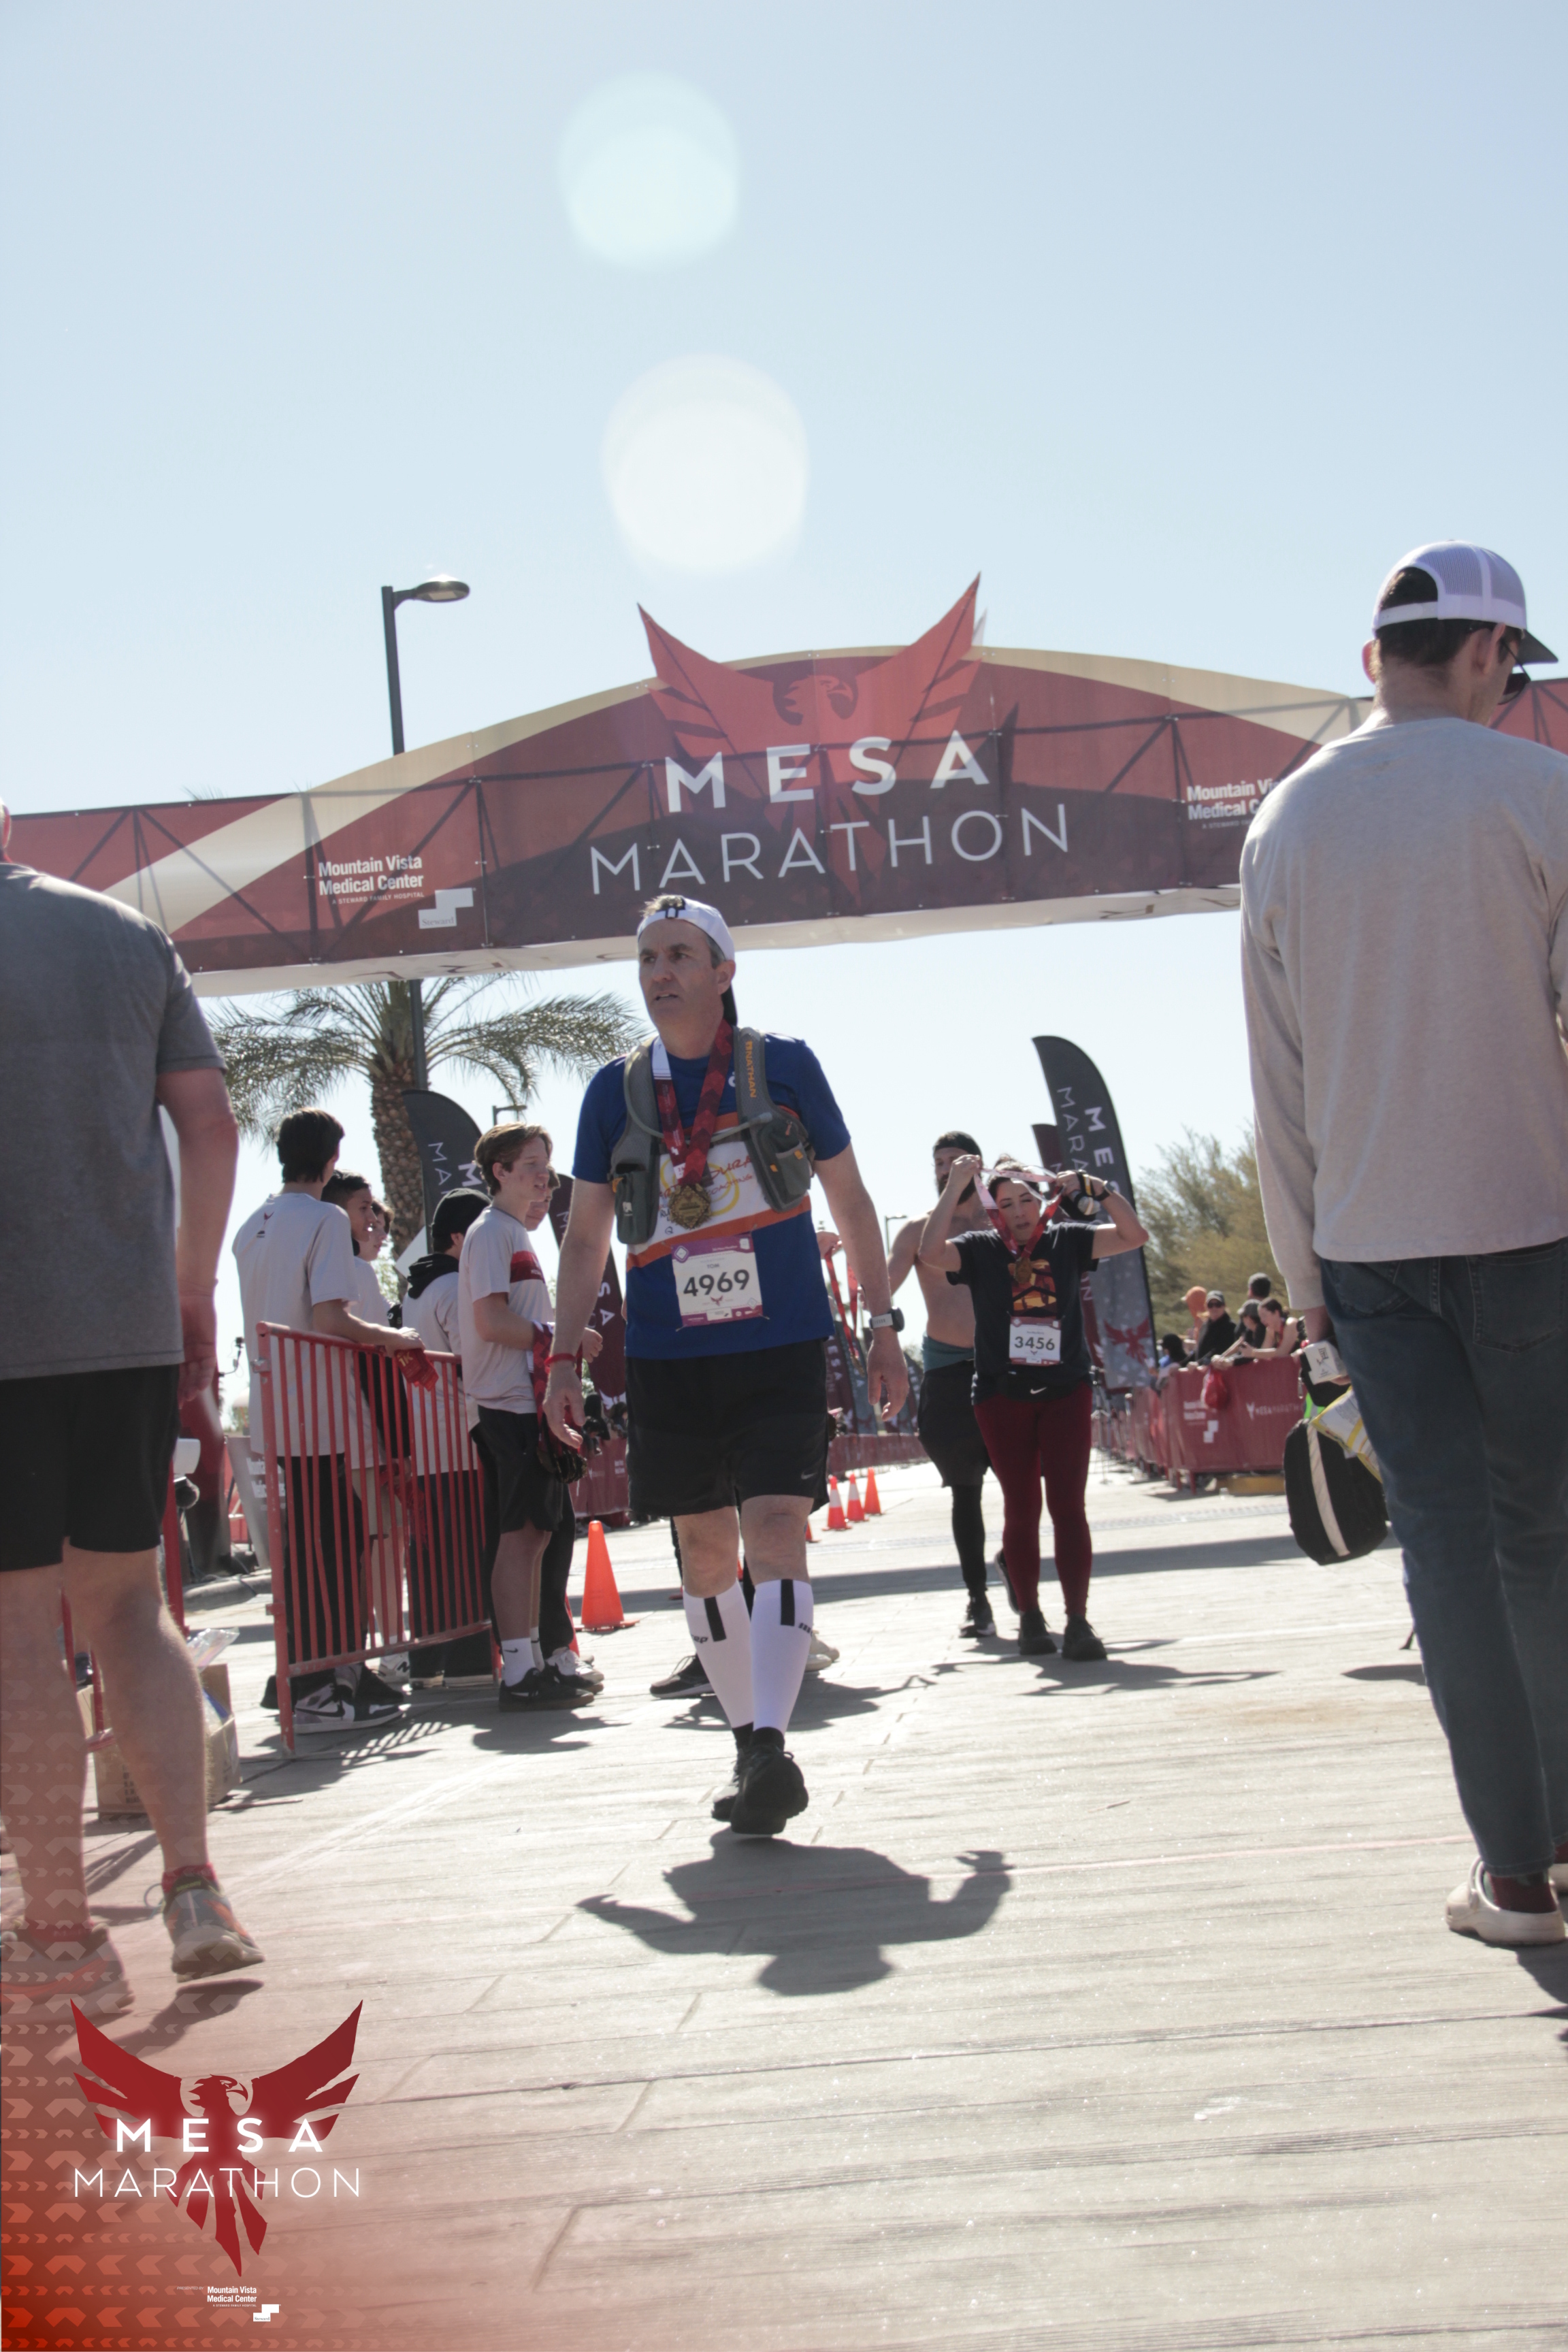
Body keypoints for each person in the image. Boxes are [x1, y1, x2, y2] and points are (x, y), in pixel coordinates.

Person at [1241, 538, 1568, 1949]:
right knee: (1545, 1540)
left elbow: (1277, 1083)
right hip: (1536, 1224)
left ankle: (1513, 1877)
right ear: (1488, 650)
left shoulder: (1284, 823)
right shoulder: (1542, 794)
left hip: (1370, 1249)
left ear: (1372, 659)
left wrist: (1306, 1285)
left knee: (1443, 1554)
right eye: (1515, 669)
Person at [546, 893, 908, 1837]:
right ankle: (750, 1743)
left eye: (679, 954)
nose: (659, 973)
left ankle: (772, 1744)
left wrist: (882, 1326)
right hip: (670, 1357)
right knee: (705, 1550)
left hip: (781, 1340)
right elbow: (585, 1239)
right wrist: (561, 1360)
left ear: (723, 972)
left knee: (778, 1527)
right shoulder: (613, 1092)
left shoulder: (783, 1067)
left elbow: (852, 1200)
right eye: (647, 959)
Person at [0, 802, 263, 2016]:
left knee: (16, 1630)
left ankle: (63, 1936)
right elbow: (209, 1123)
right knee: (129, 1607)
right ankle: (196, 1890)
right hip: (123, 1328)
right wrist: (189, 1286)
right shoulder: (123, 934)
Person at [233, 1108, 422, 1732]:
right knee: (334, 1549)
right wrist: (394, 1339)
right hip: (317, 1408)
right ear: (332, 1159)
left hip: (276, 1407)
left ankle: (328, 1673)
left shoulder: (251, 1225)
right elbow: (330, 1318)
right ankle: (319, 1683)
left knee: (314, 1548)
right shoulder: (324, 1219)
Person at [920, 1154, 1150, 1661]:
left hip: (1066, 1389)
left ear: (1042, 1201)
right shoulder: (980, 1248)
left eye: (1027, 1200)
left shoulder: (1067, 1239)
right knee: (1022, 1508)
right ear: (992, 1211)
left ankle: (1078, 1620)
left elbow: (1135, 1236)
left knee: (1069, 1507)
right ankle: (1029, 1616)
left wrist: (1098, 1189)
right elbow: (930, 1253)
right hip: (1002, 1395)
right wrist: (956, 1185)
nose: (1020, 1212)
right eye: (1007, 1204)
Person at [457, 1122, 588, 1712]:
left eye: (547, 1165)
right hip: (506, 1403)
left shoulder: (512, 1233)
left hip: (527, 1403)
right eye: (531, 1164)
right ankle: (517, 1671)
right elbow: (490, 1322)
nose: (544, 1177)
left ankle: (532, 1660)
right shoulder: (491, 1232)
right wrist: (563, 1340)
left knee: (537, 1535)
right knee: (521, 1535)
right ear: (500, 1172)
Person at [888, 1131, 998, 1636]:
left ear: (979, 1165)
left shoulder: (1002, 1221)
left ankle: (1013, 1562)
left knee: (1024, 1484)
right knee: (964, 1490)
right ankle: (978, 1598)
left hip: (1006, 1366)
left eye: (957, 1161)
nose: (947, 1169)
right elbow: (882, 1288)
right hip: (948, 1370)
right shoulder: (918, 1231)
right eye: (939, 1163)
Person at [404, 1189, 494, 1682]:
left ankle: (430, 1660)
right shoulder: (452, 1289)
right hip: (460, 1440)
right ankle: (468, 1660)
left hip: (428, 1444)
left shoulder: (417, 1289)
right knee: (466, 1551)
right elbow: (473, 1362)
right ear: (459, 1238)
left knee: (432, 1555)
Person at [1194, 1290, 1237, 1360]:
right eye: (1210, 1305)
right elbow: (1199, 1351)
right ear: (1206, 1307)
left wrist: (1199, 1363)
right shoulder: (1205, 1326)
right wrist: (1183, 1363)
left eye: (1218, 1305)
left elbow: (1219, 1351)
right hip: (1202, 1365)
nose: (1214, 1308)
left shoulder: (1230, 1327)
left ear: (1224, 1306)